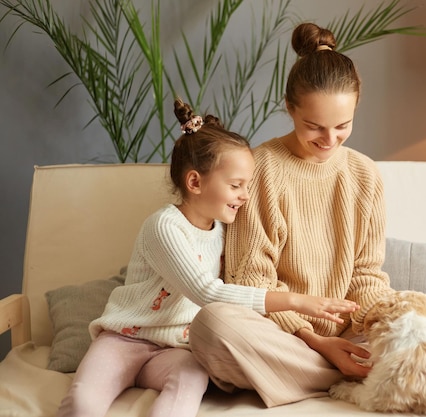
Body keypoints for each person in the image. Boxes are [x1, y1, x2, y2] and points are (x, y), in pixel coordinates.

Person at [189, 23, 426, 408]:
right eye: (313, 126)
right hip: (286, 337)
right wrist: (318, 341)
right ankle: (358, 376)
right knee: (214, 326)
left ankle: (334, 374)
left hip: (353, 336)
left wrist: (385, 322)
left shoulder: (364, 174)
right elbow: (252, 281)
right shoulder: (262, 167)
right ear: (290, 108)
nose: (329, 140)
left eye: (342, 126)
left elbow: (366, 276)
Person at [56, 98, 359, 417]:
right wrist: (295, 301)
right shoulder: (164, 226)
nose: (245, 195)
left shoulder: (224, 229)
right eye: (236, 185)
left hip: (178, 348)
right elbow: (207, 293)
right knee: (83, 404)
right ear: (195, 182)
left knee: (187, 388)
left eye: (247, 186)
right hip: (125, 341)